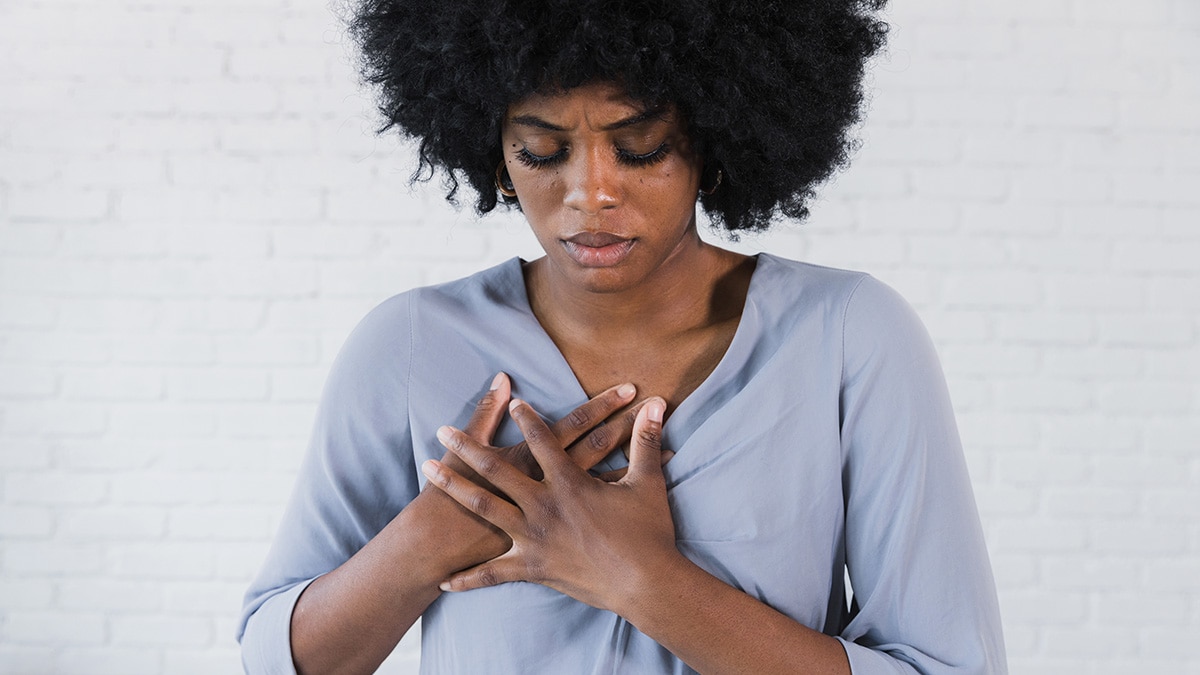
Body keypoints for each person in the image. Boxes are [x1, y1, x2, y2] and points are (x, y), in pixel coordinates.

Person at [239, 0, 1007, 673]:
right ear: (496, 153)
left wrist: (644, 580)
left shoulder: (847, 338)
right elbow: (279, 657)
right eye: (541, 150)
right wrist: (423, 542)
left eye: (640, 147)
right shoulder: (409, 345)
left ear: (713, 140)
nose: (590, 193)